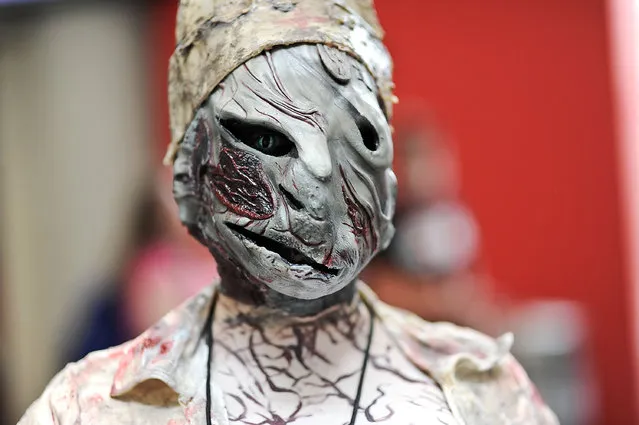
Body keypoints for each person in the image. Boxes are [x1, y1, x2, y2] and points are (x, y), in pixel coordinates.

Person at [19, 1, 558, 424]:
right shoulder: (94, 406)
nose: (320, 177)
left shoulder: (479, 390)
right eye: (262, 138)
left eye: (359, 138)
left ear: (389, 187)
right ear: (188, 184)